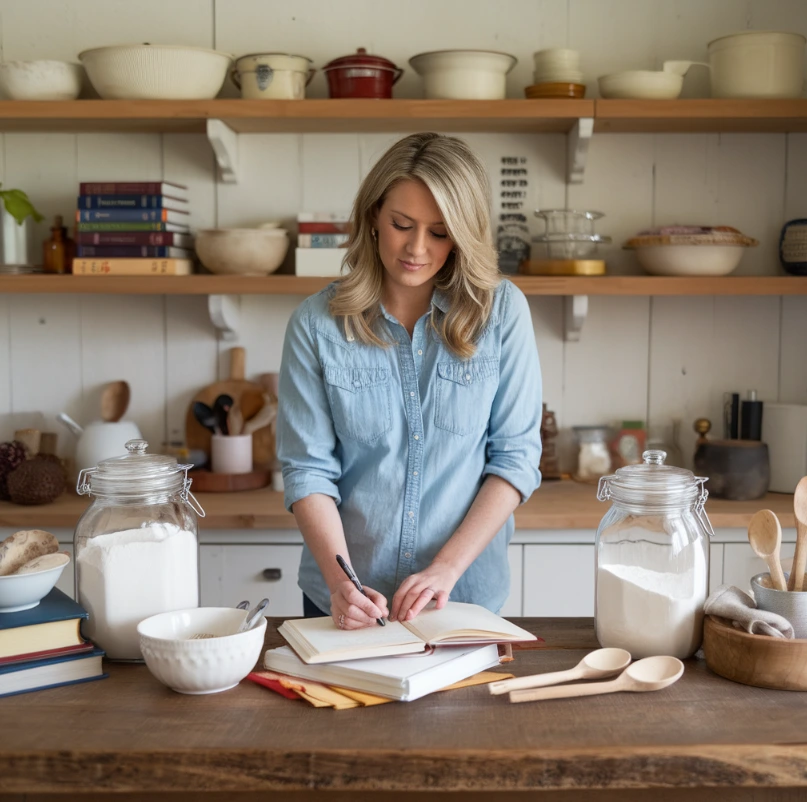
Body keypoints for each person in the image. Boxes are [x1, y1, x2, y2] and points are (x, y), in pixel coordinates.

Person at [277, 132, 542, 631]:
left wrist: (445, 569)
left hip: (460, 598)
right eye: (402, 224)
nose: (417, 248)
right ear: (374, 215)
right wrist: (343, 585)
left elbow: (516, 458)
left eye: (440, 232)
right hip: (347, 601)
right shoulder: (316, 324)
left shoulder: (501, 311)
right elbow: (308, 470)